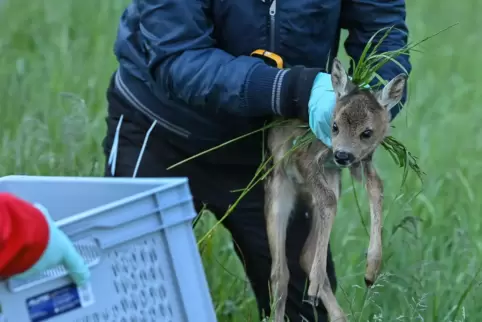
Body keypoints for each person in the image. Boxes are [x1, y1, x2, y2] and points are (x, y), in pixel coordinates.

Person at [102, 0, 412, 321]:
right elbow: (177, 53)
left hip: (277, 151)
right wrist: (295, 90)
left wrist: (369, 106)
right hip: (164, 132)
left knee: (305, 310)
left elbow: (380, 25)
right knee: (133, 301)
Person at [0, 193, 90, 285]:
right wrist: (83, 283)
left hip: (17, 270)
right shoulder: (60, 246)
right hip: (45, 236)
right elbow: (80, 271)